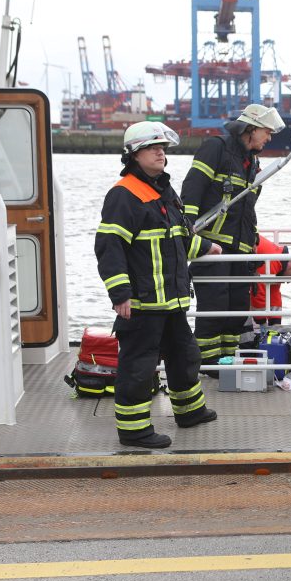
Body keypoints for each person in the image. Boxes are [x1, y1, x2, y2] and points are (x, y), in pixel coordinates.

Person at [95, 122, 221, 449]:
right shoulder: (124, 194)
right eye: (153, 148)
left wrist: (206, 248)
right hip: (142, 304)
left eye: (162, 147)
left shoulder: (163, 190)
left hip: (172, 301)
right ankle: (134, 431)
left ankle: (189, 412)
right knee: (138, 368)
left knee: (185, 356)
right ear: (134, 154)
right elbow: (110, 248)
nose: (160, 152)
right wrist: (120, 294)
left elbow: (177, 239)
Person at [181, 103, 285, 368]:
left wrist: (253, 246)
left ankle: (226, 361)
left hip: (240, 251)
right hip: (212, 247)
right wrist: (189, 233)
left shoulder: (252, 162)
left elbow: (247, 210)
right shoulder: (216, 148)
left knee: (236, 309)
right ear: (250, 128)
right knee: (214, 309)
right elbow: (192, 189)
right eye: (266, 132)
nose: (269, 138)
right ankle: (205, 363)